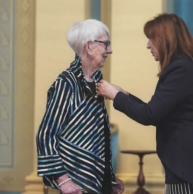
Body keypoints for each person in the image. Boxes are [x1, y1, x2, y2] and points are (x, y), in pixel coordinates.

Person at [97, 13, 193, 194]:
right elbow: (157, 110)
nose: (148, 45)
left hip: (190, 168)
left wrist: (115, 95)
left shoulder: (181, 69)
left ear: (165, 39)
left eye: (151, 39)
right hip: (189, 167)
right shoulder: (185, 67)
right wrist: (123, 94)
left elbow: (150, 114)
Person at [36, 19, 124, 194]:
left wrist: (109, 176)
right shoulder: (66, 83)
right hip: (76, 186)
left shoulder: (96, 81)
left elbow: (96, 137)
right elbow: (46, 135)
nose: (110, 50)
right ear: (89, 46)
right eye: (105, 44)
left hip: (98, 183)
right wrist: (64, 181)